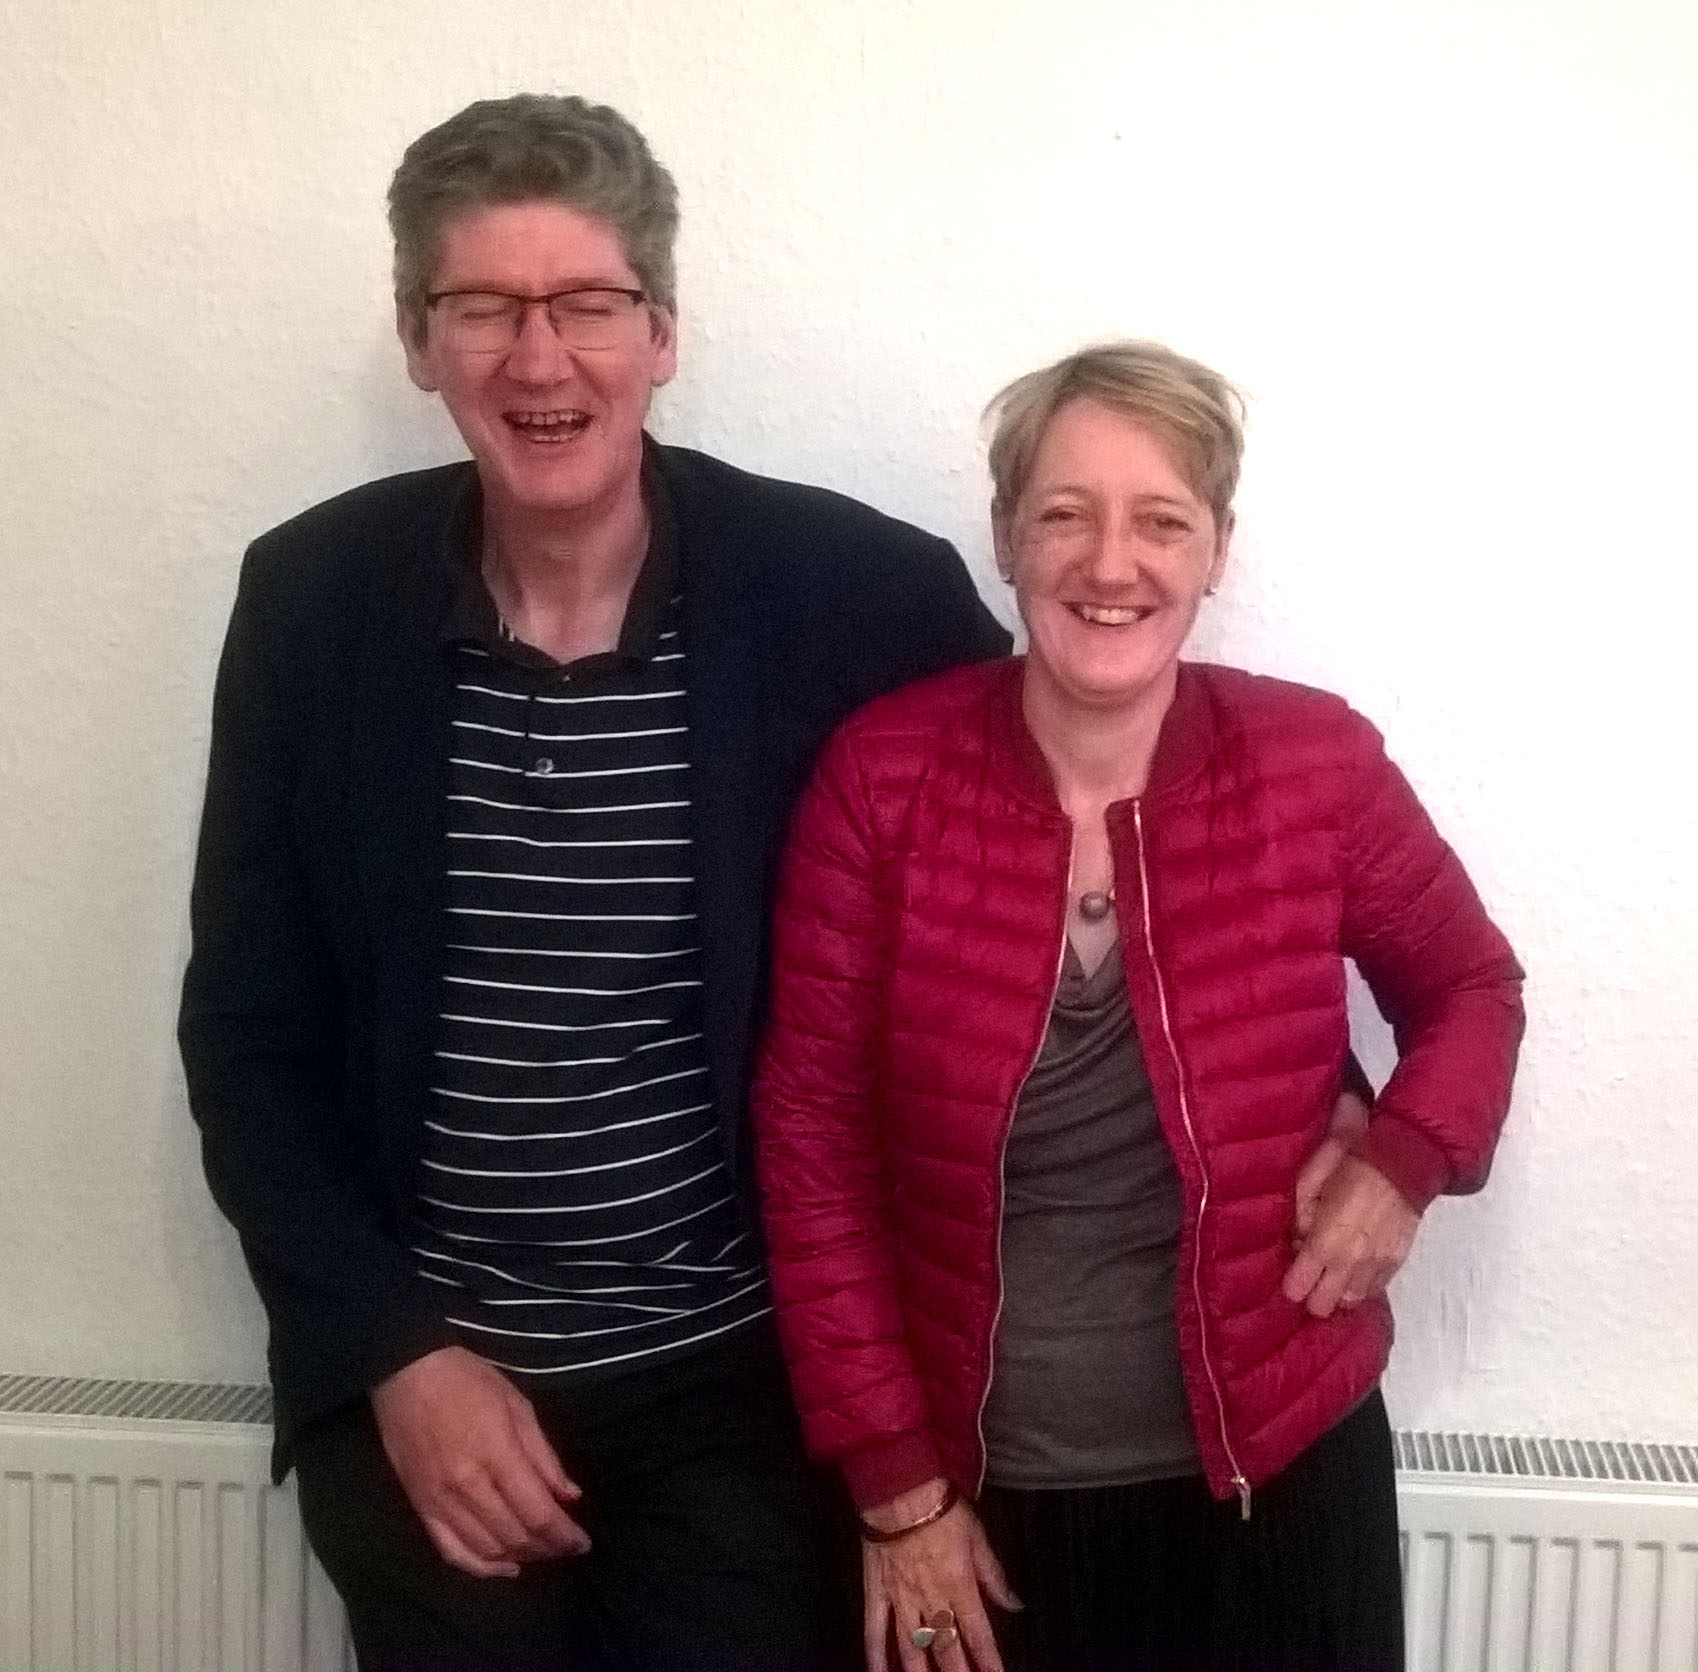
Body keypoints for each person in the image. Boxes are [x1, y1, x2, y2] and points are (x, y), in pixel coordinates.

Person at [177, 93, 1012, 1672]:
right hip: (430, 1381)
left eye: (586, 304)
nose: (538, 358)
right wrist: (394, 1359)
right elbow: (247, 1037)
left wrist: (1326, 1090)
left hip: (743, 1389)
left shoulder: (854, 595)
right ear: (417, 340)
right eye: (483, 307)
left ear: (663, 332)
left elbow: (1053, 839)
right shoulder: (309, 601)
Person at [752, 340, 1525, 1672]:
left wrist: (1401, 1163)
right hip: (969, 1515)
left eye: (1161, 520)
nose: (1111, 565)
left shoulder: (1315, 765)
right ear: (1006, 535)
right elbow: (811, 1146)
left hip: (1278, 1486)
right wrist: (894, 1491)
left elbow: (1472, 987)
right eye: (1065, 514)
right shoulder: (880, 782)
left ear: (1217, 549)